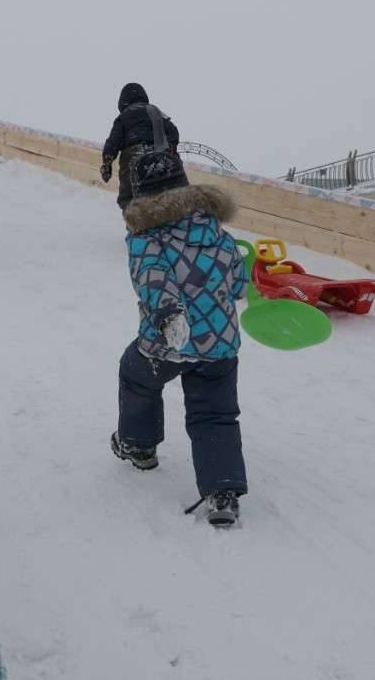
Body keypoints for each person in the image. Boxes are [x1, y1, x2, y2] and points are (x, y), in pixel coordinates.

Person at [110, 142, 250, 527]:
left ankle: (138, 447)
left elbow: (152, 278)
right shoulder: (214, 230)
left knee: (134, 374)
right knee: (215, 414)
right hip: (220, 345)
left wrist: (170, 316)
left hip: (168, 343)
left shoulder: (145, 236)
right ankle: (221, 490)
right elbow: (238, 282)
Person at [100, 82, 180, 211]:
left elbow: (112, 143)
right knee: (170, 193)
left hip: (133, 161)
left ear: (122, 102)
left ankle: (136, 225)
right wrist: (171, 148)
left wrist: (107, 163)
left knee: (129, 199)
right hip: (161, 158)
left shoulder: (122, 118)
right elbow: (173, 132)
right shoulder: (155, 111)